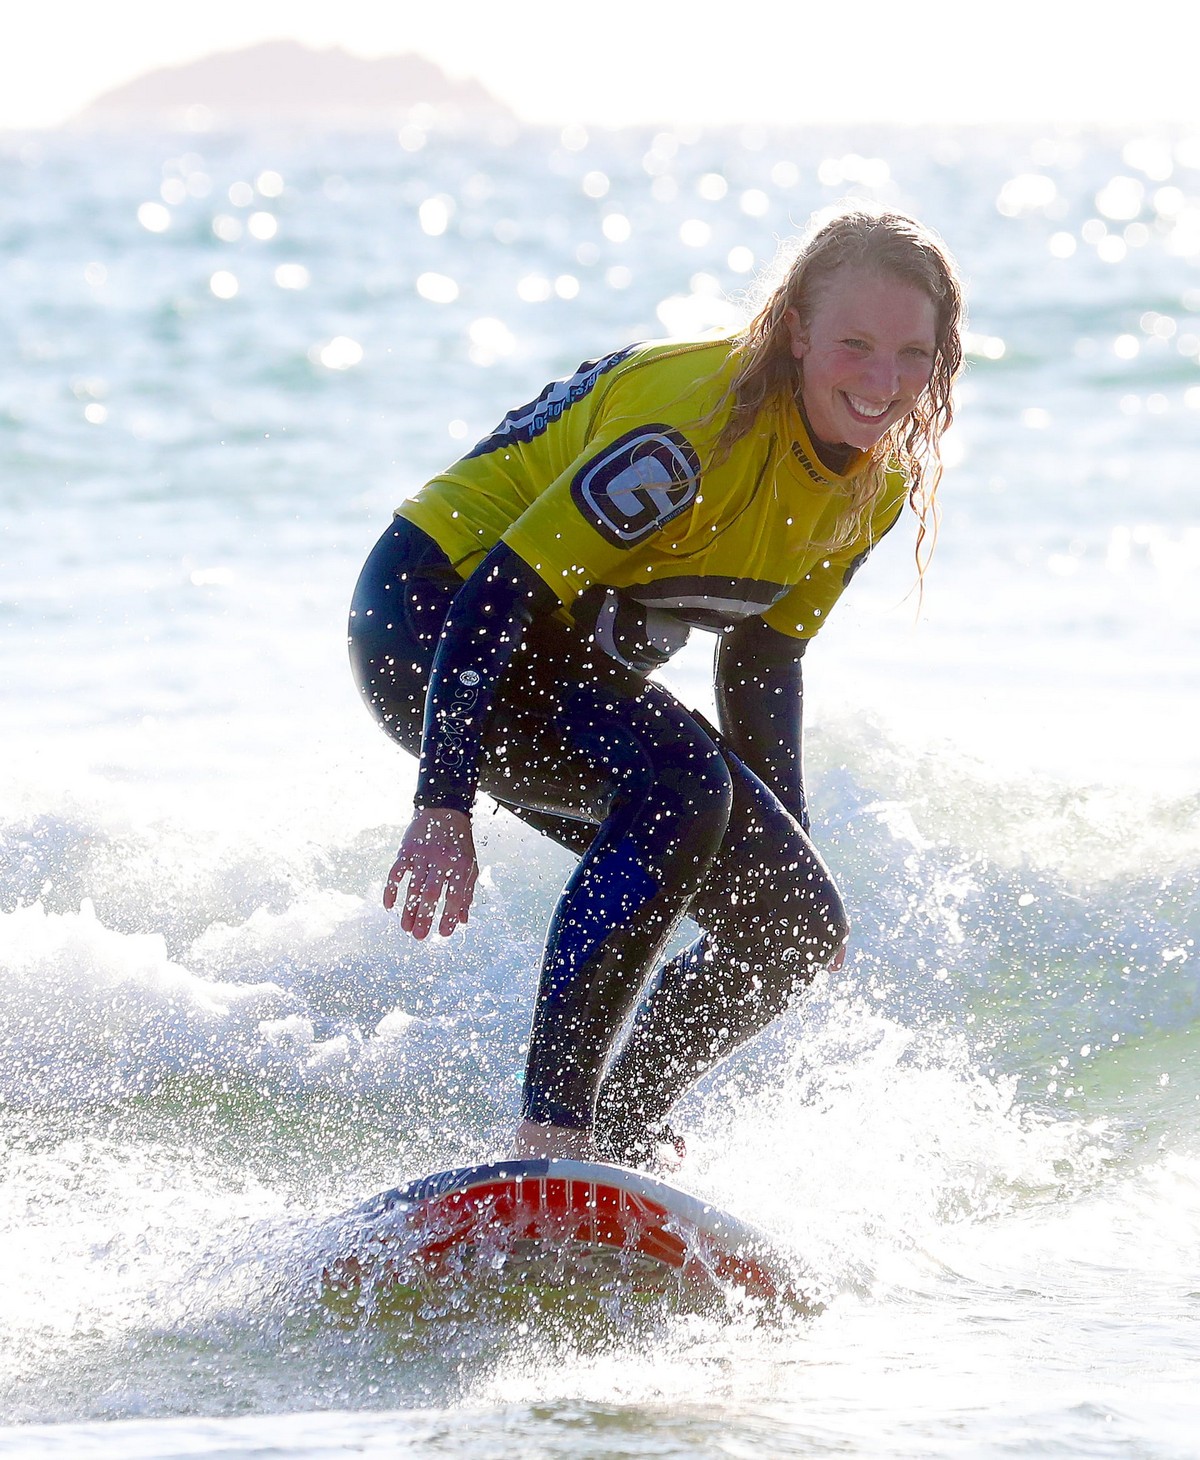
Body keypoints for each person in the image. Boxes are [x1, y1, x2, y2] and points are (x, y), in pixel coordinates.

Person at [348, 203, 964, 1168]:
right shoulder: (691, 429)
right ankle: (553, 1134)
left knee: (794, 925)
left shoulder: (870, 487)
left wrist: (786, 856)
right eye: (854, 343)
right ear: (797, 328)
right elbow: (500, 597)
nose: (884, 384)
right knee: (680, 783)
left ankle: (622, 1136)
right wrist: (443, 803)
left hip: (560, 660)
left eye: (913, 355)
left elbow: (763, 660)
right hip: (435, 621)